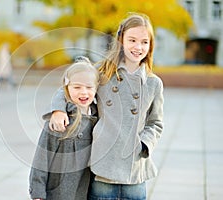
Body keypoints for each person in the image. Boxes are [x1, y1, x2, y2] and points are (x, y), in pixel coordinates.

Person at [49, 12, 164, 200]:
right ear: (121, 40)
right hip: (103, 168)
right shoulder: (103, 72)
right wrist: (58, 109)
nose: (138, 47)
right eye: (132, 40)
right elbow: (70, 87)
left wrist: (143, 144)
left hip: (134, 172)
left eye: (144, 42)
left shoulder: (153, 83)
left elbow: (156, 123)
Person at [29, 56, 100, 200]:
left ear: (97, 87)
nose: (83, 93)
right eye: (77, 87)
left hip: (85, 191)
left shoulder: (98, 118)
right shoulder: (59, 121)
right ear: (66, 88)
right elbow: (42, 158)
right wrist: (38, 192)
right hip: (58, 192)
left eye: (89, 87)